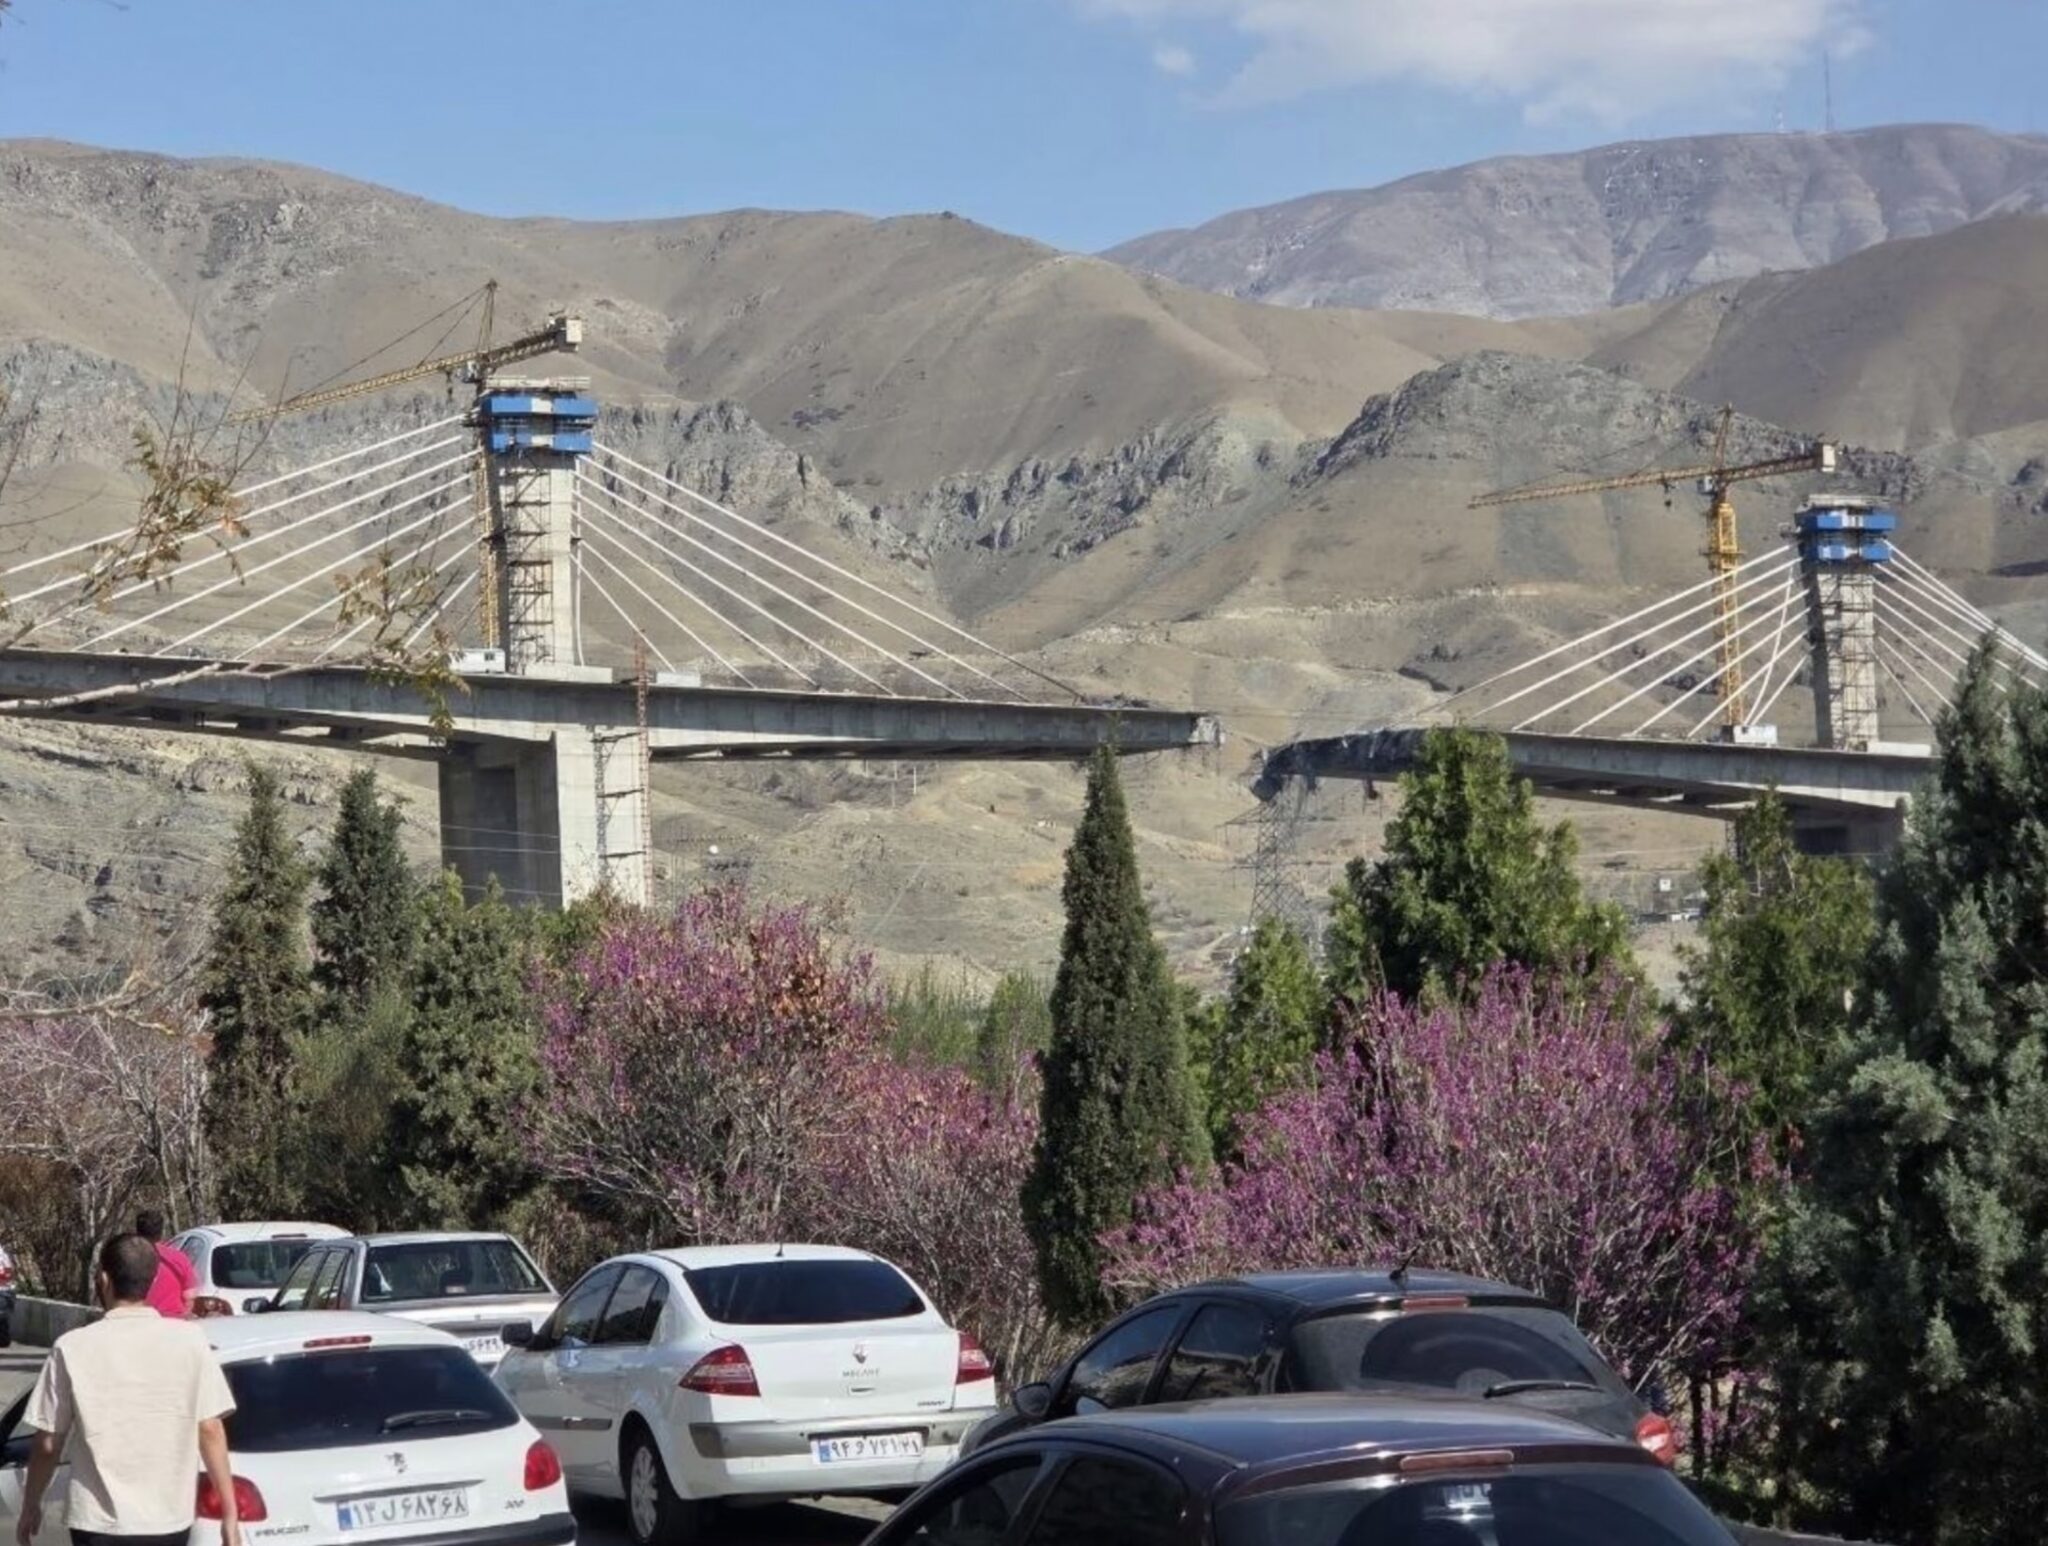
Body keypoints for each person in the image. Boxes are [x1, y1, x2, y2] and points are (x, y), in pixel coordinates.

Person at [13, 1233, 240, 1546]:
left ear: (104, 1279)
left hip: (98, 1525)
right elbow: (210, 1430)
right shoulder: (190, 1342)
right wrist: (230, 1516)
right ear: (154, 1278)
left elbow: (49, 1443)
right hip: (168, 1521)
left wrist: (31, 1505)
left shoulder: (72, 1347)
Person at [133, 1212, 195, 1320]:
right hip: (174, 1321)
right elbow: (190, 1297)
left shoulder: (129, 1260)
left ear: (137, 1232)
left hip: (143, 1321)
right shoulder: (179, 1258)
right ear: (162, 1232)